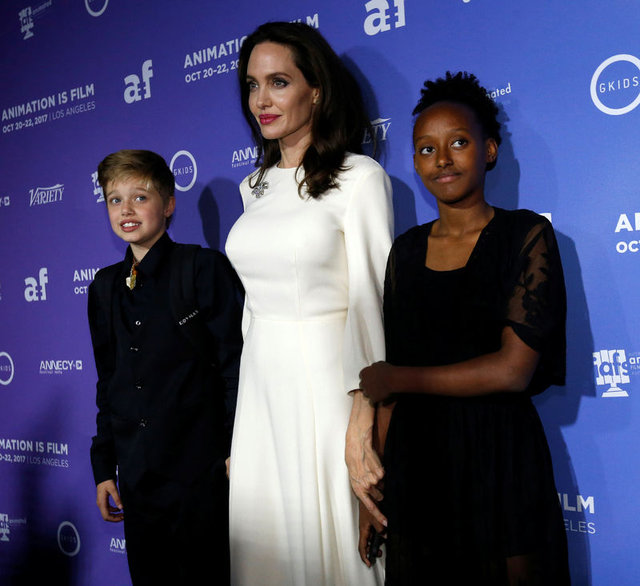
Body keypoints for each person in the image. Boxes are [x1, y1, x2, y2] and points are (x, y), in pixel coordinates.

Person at [359, 72, 571, 585]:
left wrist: (398, 378)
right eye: (426, 149)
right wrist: (375, 495)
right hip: (418, 463)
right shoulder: (405, 252)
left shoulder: (526, 234)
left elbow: (513, 371)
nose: (442, 159)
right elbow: (389, 389)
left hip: (501, 459)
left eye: (458, 142)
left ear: (489, 150)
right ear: (415, 163)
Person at [225, 21, 393, 586]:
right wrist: (242, 426)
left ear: (316, 90)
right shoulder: (253, 187)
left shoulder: (359, 178)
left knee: (336, 551)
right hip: (260, 394)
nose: (261, 100)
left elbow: (372, 303)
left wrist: (362, 424)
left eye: (279, 82)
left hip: (329, 392)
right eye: (252, 85)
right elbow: (252, 309)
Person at [88, 149, 243, 585]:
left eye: (140, 197)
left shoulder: (201, 269)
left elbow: (234, 367)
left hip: (201, 474)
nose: (126, 210)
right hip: (137, 481)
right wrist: (104, 467)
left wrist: (235, 449)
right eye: (115, 200)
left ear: (169, 204)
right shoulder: (103, 288)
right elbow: (109, 381)